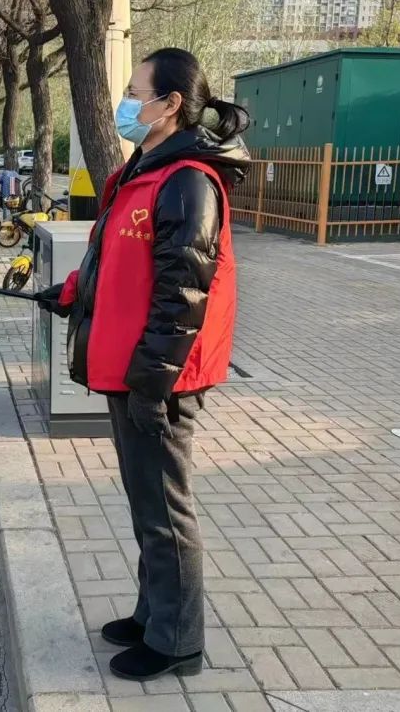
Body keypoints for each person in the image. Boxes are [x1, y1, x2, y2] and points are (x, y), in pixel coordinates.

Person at [35, 47, 249, 682]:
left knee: (165, 510)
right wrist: (72, 291)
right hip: (133, 369)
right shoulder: (146, 169)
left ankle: (178, 642)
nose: (126, 104)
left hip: (158, 378)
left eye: (135, 92)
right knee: (145, 503)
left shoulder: (188, 181)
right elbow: (118, 262)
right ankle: (153, 614)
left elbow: (182, 295)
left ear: (170, 104)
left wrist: (152, 387)